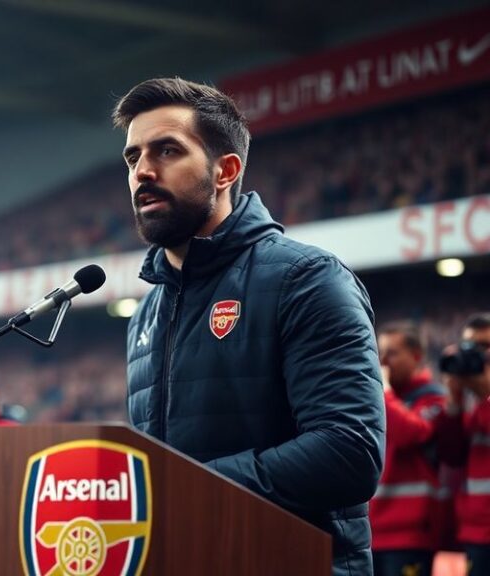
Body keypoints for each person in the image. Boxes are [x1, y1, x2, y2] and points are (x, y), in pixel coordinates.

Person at [113, 77, 384, 576]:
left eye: (167, 150)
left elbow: (350, 451)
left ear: (225, 170)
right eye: (133, 158)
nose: (143, 171)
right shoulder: (148, 312)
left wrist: (182, 490)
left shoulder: (306, 279)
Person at [370, 322, 446, 576]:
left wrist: (383, 390)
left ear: (416, 356)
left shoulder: (434, 397)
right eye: (380, 352)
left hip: (410, 533)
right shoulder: (381, 398)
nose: (382, 361)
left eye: (392, 353)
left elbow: (409, 433)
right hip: (372, 531)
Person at [436, 313, 490, 575]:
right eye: (470, 347)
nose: (477, 355)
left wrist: (485, 395)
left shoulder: (482, 398)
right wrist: (454, 402)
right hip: (477, 531)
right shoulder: (474, 404)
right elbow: (451, 456)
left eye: (485, 347)